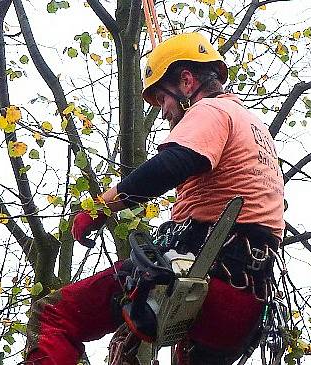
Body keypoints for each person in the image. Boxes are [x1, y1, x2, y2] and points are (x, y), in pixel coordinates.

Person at [25, 32, 284, 365]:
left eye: (163, 100)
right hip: (244, 304)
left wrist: (101, 206)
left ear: (187, 81)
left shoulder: (211, 111)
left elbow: (171, 165)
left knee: (55, 316)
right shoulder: (253, 126)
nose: (163, 113)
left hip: (206, 277)